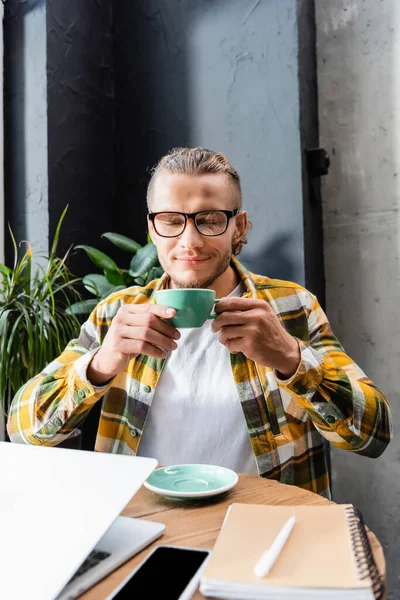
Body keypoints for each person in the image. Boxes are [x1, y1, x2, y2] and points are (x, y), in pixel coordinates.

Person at [7, 147, 392, 497]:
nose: (189, 240)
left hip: (268, 531)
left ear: (238, 227)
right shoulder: (116, 314)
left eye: (209, 220)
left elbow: (373, 435)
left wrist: (291, 358)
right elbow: (22, 430)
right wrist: (100, 363)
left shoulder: (292, 307)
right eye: (171, 220)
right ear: (152, 229)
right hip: (146, 528)